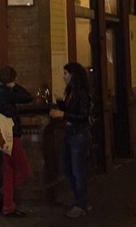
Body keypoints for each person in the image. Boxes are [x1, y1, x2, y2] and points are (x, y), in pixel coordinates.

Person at [0, 66, 33, 217]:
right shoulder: (6, 93)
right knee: (24, 169)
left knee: (8, 169)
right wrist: (14, 86)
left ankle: (8, 205)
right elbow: (27, 97)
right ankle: (4, 193)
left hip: (1, 133)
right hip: (10, 134)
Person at [50, 62, 92, 218]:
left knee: (77, 170)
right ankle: (81, 200)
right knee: (67, 168)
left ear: (74, 75)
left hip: (78, 134)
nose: (63, 76)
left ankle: (81, 204)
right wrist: (60, 103)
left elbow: (83, 115)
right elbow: (71, 110)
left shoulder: (81, 93)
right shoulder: (71, 92)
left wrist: (63, 115)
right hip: (70, 133)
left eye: (66, 73)